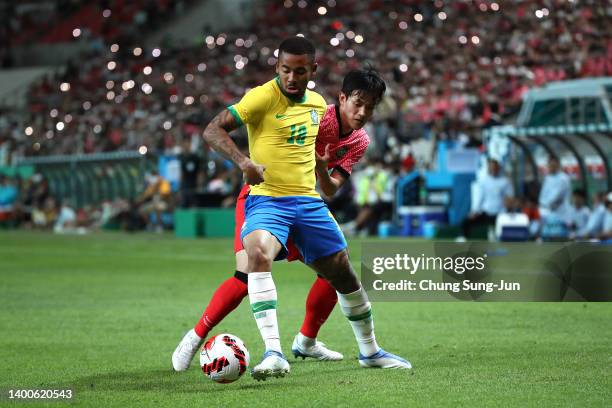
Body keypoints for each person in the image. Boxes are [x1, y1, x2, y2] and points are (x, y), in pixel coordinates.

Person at [193, 37, 410, 380]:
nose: (363, 113)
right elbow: (269, 133)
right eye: (358, 103)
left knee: (338, 269)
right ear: (342, 99)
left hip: (306, 201)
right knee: (247, 269)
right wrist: (247, 161)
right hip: (265, 194)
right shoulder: (317, 115)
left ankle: (320, 343)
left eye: (371, 106)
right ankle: (206, 339)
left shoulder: (359, 140)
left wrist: (322, 167)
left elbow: (329, 190)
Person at [458, 158, 513, 240]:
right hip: (486, 213)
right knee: (466, 221)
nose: (493, 169)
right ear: (488, 168)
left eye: (495, 167)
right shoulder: (483, 181)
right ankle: (463, 238)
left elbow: (509, 198)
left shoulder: (505, 182)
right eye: (491, 167)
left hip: (500, 214)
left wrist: (509, 209)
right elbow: (479, 198)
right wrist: (475, 211)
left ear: (498, 168)